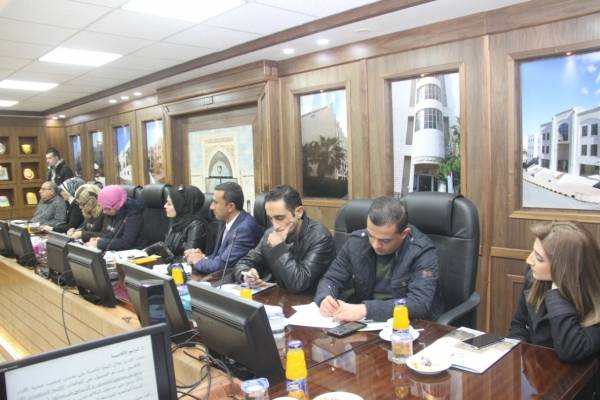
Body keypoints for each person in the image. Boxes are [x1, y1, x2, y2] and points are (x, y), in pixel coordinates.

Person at [314, 196, 442, 322]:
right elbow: (331, 279)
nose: (375, 245)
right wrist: (325, 298)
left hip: (408, 324)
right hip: (367, 323)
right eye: (371, 235)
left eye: (385, 241)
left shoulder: (422, 251)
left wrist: (365, 310)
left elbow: (419, 304)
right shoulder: (356, 242)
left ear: (404, 234)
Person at [509, 221, 600, 363]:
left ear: (564, 266)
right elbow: (518, 324)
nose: (529, 260)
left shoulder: (594, 301)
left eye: (539, 258)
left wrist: (557, 290)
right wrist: (520, 357)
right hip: (535, 367)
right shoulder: (534, 277)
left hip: (574, 373)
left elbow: (572, 350)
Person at [233, 185, 336, 293]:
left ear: (299, 212)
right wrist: (246, 274)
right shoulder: (270, 234)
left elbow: (299, 283)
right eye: (270, 218)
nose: (275, 226)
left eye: (280, 218)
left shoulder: (320, 237)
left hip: (310, 299)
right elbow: (244, 262)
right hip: (280, 296)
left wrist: (279, 249)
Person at [184, 182, 263, 274]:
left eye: (215, 202)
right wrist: (201, 257)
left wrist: (197, 261)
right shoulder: (224, 221)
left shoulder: (244, 229)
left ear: (230, 207)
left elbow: (221, 266)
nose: (211, 207)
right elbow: (218, 257)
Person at [85, 185, 145, 251]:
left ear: (118, 204)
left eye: (108, 208)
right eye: (103, 208)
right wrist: (100, 239)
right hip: (115, 250)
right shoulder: (111, 212)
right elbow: (110, 233)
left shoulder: (133, 215)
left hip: (133, 251)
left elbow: (126, 242)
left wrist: (99, 243)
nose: (104, 212)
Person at [161, 185, 209, 260]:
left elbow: (189, 259)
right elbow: (167, 250)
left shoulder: (196, 225)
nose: (165, 206)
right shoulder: (177, 221)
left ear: (181, 206)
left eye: (169, 204)